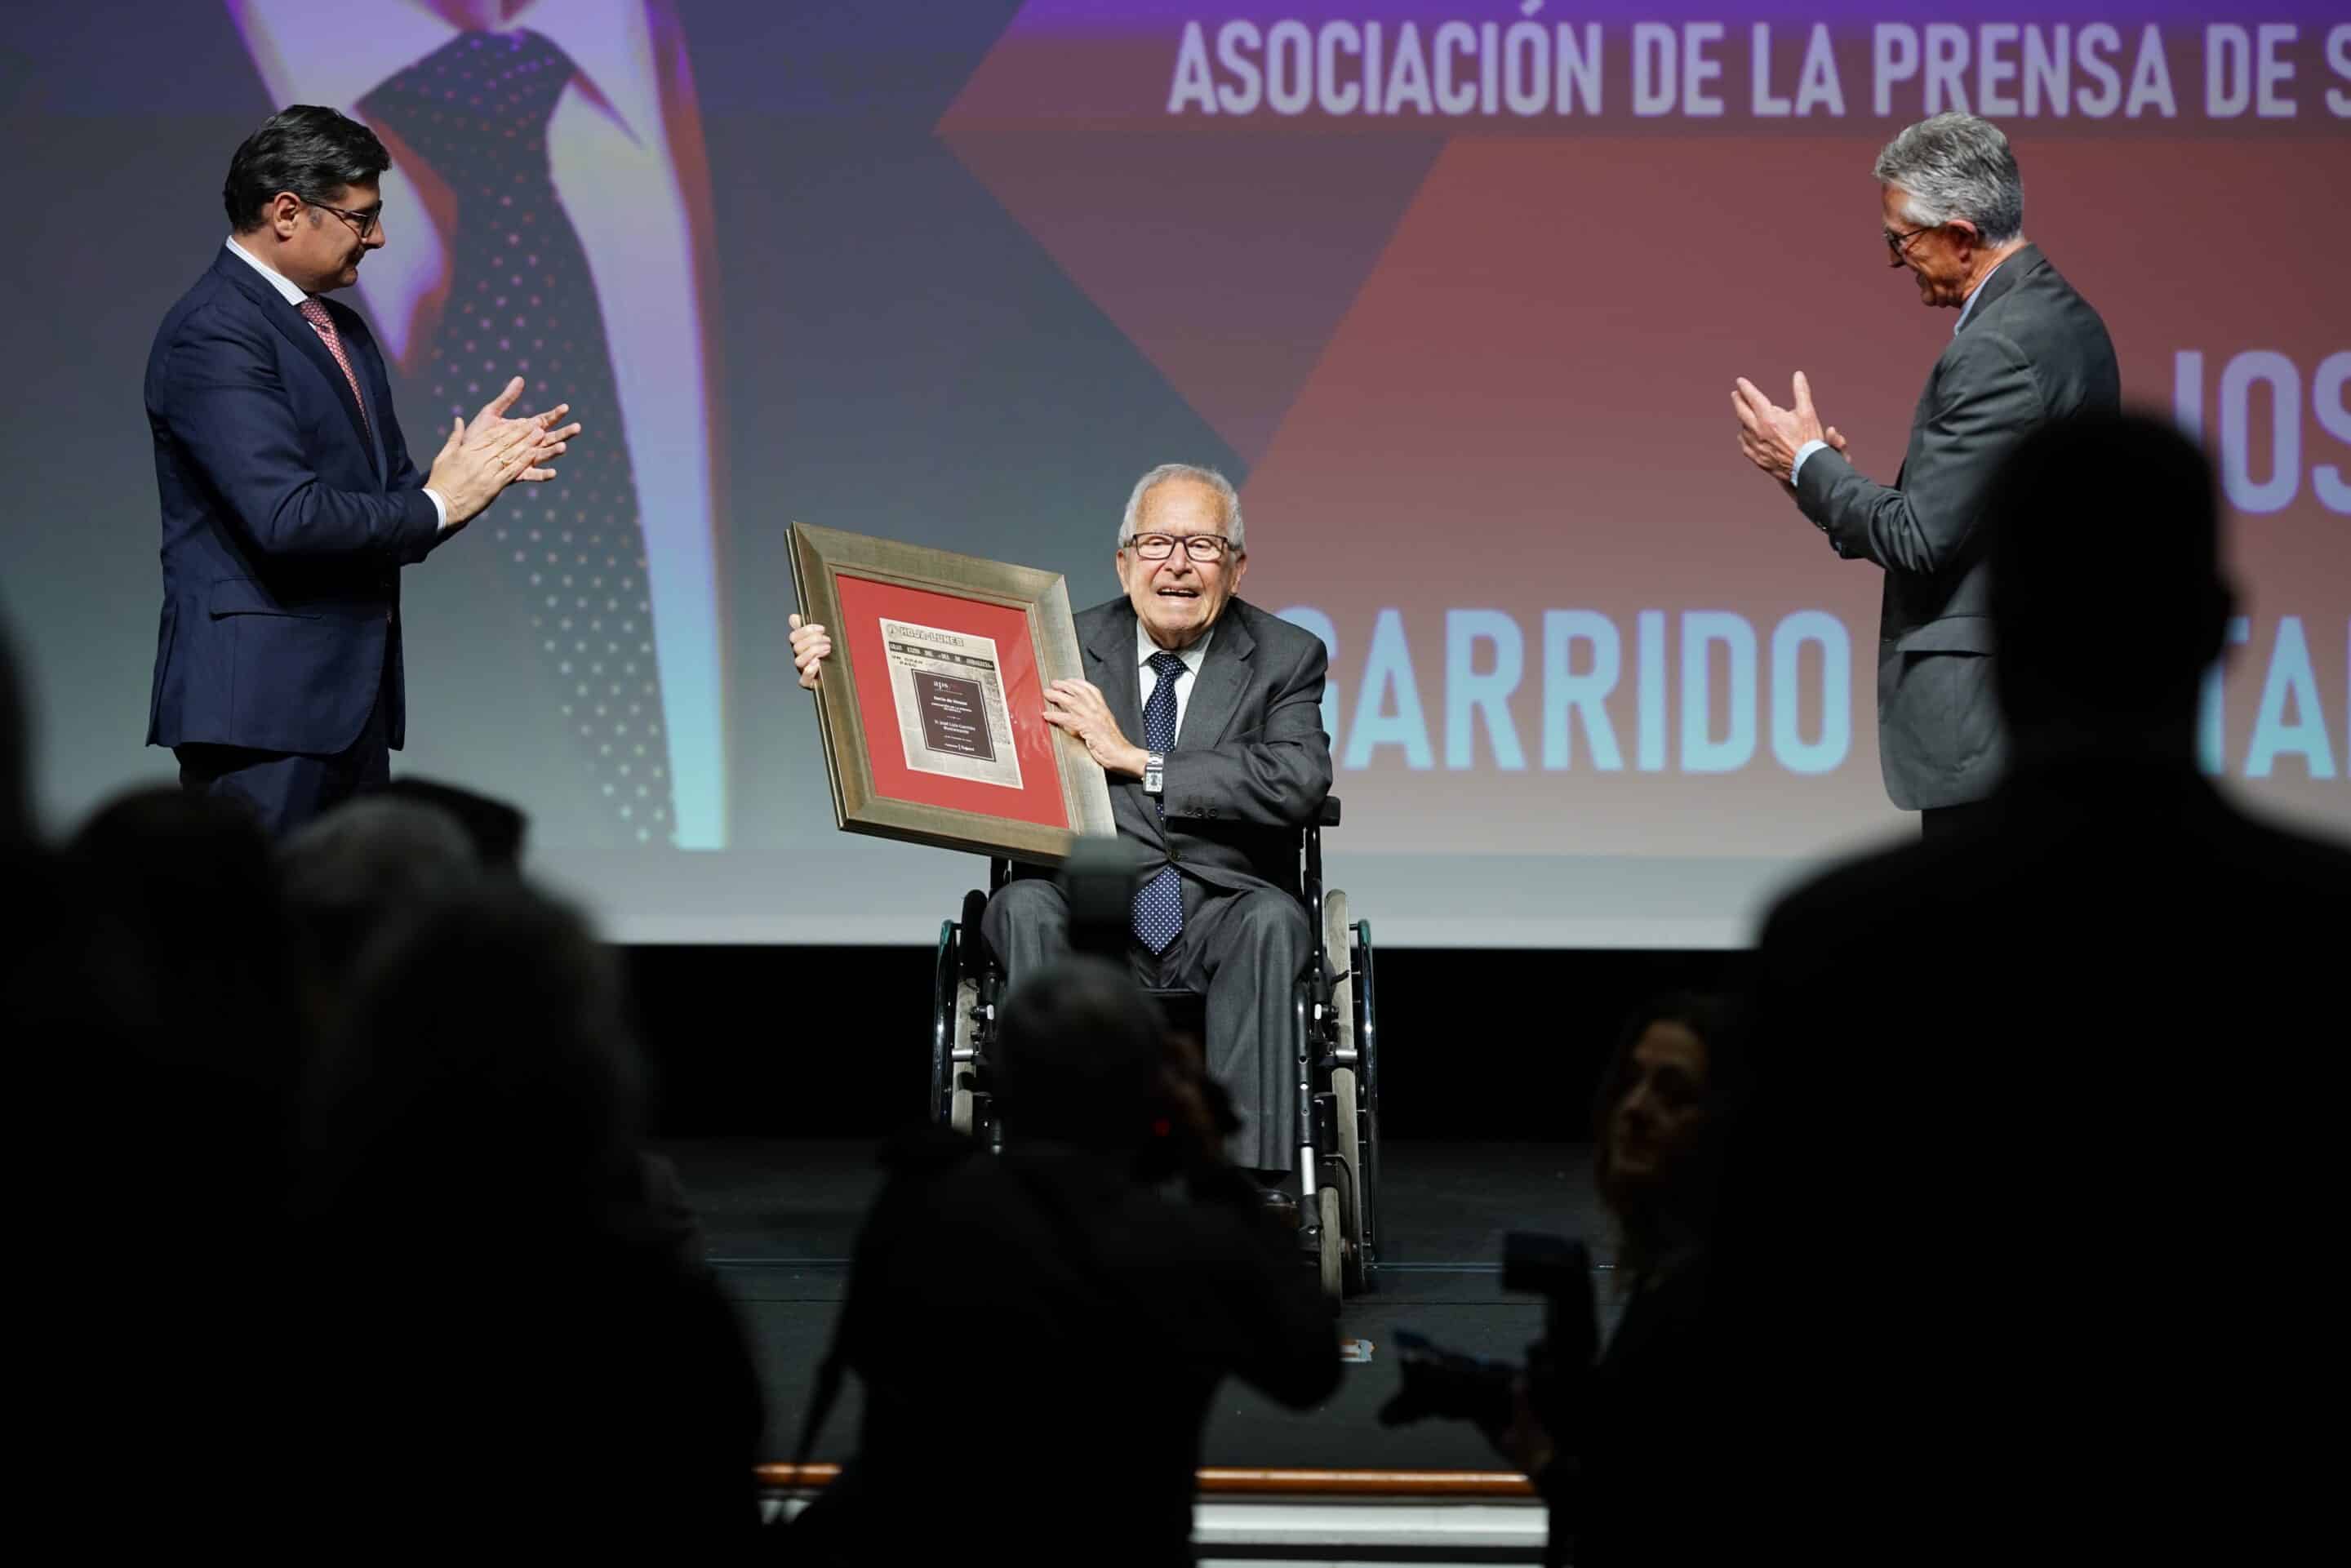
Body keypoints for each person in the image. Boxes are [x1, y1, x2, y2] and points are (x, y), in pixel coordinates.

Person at [1709, 413, 2351, 1555]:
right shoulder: (2326, 941)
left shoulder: (1843, 954)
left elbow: (1772, 1335)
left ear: (1993, 635)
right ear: (2221, 634)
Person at [789, 464, 1333, 1193]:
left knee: (1275, 919)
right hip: (1092, 904)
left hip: (1224, 907)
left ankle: (1241, 1190)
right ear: (1123, 560)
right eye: (1157, 543)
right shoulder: (1056, 642)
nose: (1177, 563)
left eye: (1202, 545)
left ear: (1235, 568)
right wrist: (841, 674)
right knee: (1021, 906)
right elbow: (952, 719)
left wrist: (1142, 761)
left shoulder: (1285, 655)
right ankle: (1053, 1170)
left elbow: (1299, 780)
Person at [790, 957, 1340, 1566]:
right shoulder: (1189, 1245)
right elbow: (1308, 1365)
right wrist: (1213, 1164)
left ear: (1003, 1085)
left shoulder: (921, 1211)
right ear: (1152, 1097)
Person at [146, 105, 580, 838]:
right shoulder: (215, 331)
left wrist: (464, 480)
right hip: (261, 714)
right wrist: (438, 502)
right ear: (287, 212)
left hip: (350, 709)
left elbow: (384, 513)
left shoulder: (337, 327)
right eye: (361, 217)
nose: (377, 237)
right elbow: (288, 519)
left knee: (346, 942)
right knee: (262, 939)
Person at [1731, 112, 2119, 836]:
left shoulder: (1998, 349)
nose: (1894, 259)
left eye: (1900, 240)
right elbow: (1969, 515)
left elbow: (1922, 538)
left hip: (1993, 731)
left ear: (1962, 235)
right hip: (2045, 712)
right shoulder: (2065, 319)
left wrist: (1809, 463)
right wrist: (1814, 478)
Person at [1469, 995, 1742, 1567]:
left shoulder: (1704, 1295)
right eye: (1633, 1082)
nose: (1637, 1108)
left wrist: (1546, 1461)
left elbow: (1648, 1521)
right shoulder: (1665, 1271)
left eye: (1674, 1093)